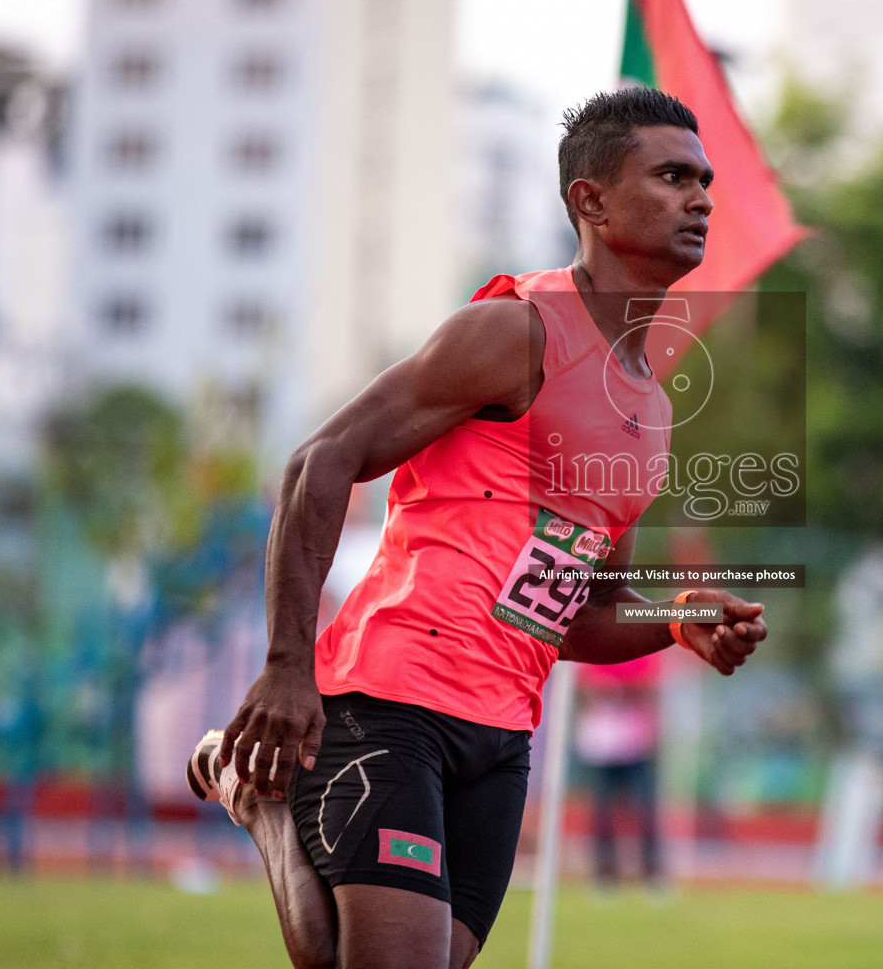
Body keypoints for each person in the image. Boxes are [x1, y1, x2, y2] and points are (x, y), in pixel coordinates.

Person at [185, 87, 768, 969]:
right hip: (391, 698)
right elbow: (319, 461)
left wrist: (676, 623)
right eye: (672, 176)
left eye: (705, 181)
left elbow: (575, 614)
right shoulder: (516, 333)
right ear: (592, 202)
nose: (701, 200)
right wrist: (286, 667)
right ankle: (268, 794)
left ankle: (264, 804)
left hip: (501, 736)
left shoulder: (649, 413)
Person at [575, 654, 665, 892]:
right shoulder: (596, 647)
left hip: (636, 742)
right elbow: (587, 688)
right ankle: (605, 873)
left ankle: (652, 872)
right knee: (602, 811)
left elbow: (648, 688)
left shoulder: (642, 649)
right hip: (603, 744)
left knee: (644, 807)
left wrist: (617, 690)